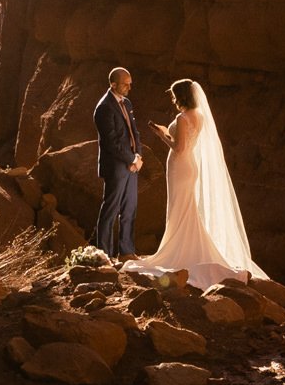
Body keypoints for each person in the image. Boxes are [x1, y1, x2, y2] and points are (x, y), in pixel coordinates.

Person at [129, 77, 266, 289]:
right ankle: (189, 247)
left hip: (180, 166)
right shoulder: (199, 115)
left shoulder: (182, 118)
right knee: (186, 209)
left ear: (181, 96)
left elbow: (179, 147)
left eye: (174, 95)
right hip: (189, 166)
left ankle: (178, 252)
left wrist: (162, 134)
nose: (173, 100)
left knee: (179, 209)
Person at [93, 65, 144, 258]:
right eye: (125, 84)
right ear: (113, 84)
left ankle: (126, 251)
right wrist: (131, 158)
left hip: (131, 165)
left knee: (129, 209)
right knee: (110, 211)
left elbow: (134, 132)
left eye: (130, 84)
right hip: (115, 167)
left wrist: (138, 156)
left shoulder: (127, 103)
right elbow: (111, 142)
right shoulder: (104, 108)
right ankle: (104, 255)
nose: (129, 88)